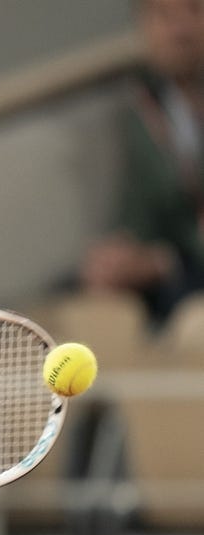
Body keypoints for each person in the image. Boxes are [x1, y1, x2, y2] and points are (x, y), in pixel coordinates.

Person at [78, 0, 204, 327]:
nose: (180, 31)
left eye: (193, 10)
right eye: (163, 15)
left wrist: (166, 262)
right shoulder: (142, 106)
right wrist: (122, 252)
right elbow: (138, 210)